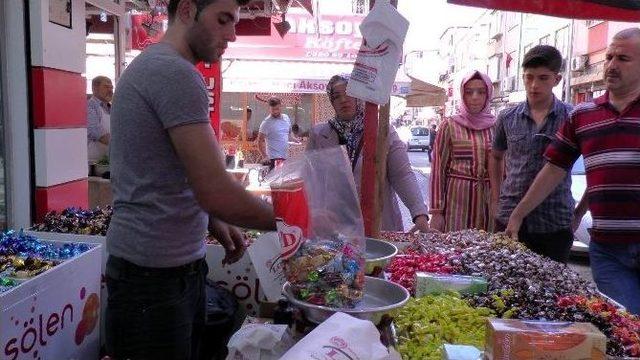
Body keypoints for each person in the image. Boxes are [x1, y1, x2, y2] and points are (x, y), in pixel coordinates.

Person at [105, 0, 275, 358]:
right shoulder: (175, 72)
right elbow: (216, 191)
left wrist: (211, 218)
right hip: (153, 285)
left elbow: (165, 170)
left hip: (157, 275)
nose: (231, 35)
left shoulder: (155, 67)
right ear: (186, 11)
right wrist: (295, 220)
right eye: (224, 20)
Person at [505, 29, 640, 314]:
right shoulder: (582, 115)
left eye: (623, 58)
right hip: (608, 250)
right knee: (625, 328)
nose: (612, 65)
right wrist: (517, 214)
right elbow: (553, 169)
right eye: (609, 57)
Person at [307, 74, 430, 232]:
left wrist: (419, 213)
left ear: (360, 96)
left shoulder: (382, 131)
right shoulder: (319, 134)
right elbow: (310, 178)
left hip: (377, 222)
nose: (343, 100)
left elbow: (402, 174)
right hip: (334, 224)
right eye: (337, 96)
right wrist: (312, 214)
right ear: (332, 101)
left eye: (349, 93)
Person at [488, 45, 575, 263]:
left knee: (552, 290)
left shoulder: (572, 117)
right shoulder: (507, 117)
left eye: (543, 78)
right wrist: (496, 198)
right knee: (504, 284)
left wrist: (580, 211)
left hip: (554, 219)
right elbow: (496, 156)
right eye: (529, 78)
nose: (534, 85)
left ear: (557, 79)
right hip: (509, 215)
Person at [429, 71, 496, 232]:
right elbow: (438, 169)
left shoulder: (498, 126)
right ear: (462, 95)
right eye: (469, 92)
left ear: (488, 95)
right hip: (457, 206)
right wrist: (437, 212)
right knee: (456, 252)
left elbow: (505, 170)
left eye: (481, 92)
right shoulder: (449, 125)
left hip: (489, 207)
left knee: (487, 254)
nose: (474, 97)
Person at [257, 97, 294, 169]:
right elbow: (259, 141)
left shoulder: (286, 118)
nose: (275, 111)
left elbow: (289, 133)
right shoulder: (266, 123)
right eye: (273, 110)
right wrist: (265, 156)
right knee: (275, 179)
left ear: (281, 106)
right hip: (274, 158)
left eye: (277, 109)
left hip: (285, 157)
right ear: (269, 109)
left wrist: (295, 139)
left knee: (283, 179)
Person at [87, 76, 113, 163]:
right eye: (106, 87)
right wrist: (122, 145)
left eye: (111, 87)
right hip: (93, 162)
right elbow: (97, 132)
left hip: (107, 160)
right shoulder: (90, 107)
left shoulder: (112, 107)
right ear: (95, 89)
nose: (110, 90)